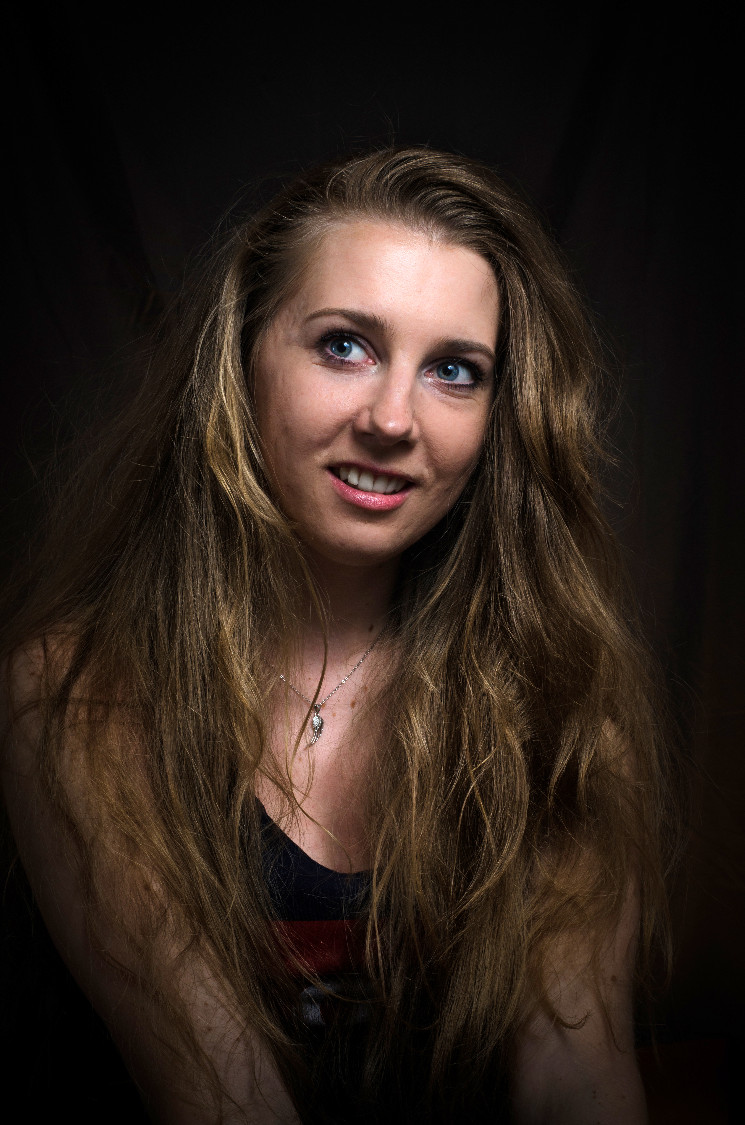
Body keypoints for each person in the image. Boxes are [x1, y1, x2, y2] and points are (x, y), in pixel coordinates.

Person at [1, 147, 673, 1123]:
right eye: (345, 346)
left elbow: (577, 1084)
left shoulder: (558, 707)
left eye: (453, 370)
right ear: (242, 359)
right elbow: (221, 1099)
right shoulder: (74, 692)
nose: (393, 419)